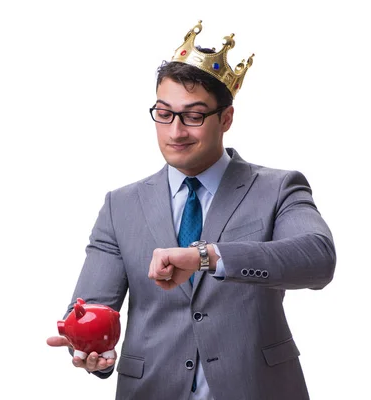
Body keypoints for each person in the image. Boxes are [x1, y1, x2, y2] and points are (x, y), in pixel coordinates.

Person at [46, 20, 336, 400]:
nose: (175, 131)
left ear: (226, 119)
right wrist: (88, 346)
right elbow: (90, 307)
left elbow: (317, 258)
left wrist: (207, 256)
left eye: (194, 116)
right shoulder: (120, 205)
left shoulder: (278, 188)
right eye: (164, 113)